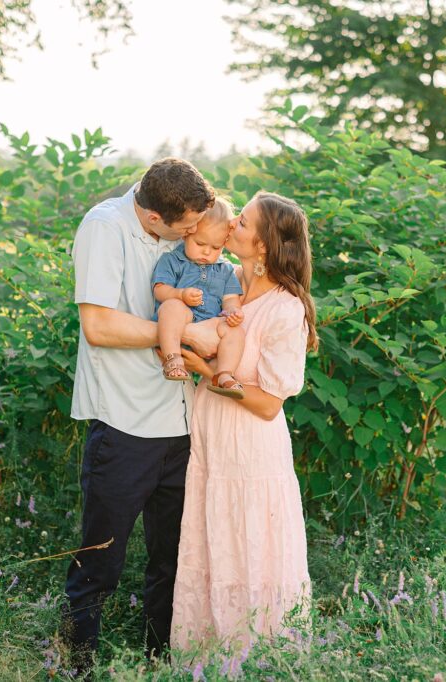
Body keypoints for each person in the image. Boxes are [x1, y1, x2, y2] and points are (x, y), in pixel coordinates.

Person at [62, 157, 221, 672]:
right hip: (125, 422)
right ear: (154, 218)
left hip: (182, 420)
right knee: (101, 560)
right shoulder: (104, 227)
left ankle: (161, 659)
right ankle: (75, 661)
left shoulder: (184, 226)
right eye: (186, 228)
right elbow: (100, 328)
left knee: (174, 559)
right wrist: (181, 335)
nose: (194, 234)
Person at [171, 191, 318, 653]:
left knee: (252, 549)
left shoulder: (284, 309)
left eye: (245, 223)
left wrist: (207, 371)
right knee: (213, 544)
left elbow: (269, 404)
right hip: (213, 443)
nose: (232, 224)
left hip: (252, 449)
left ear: (265, 246)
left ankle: (259, 657)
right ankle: (207, 656)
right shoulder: (222, 281)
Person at [152, 198, 246, 399]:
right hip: (181, 323)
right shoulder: (173, 260)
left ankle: (224, 374)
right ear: (187, 235)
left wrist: (233, 312)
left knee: (235, 330)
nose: (206, 251)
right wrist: (180, 294)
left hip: (210, 329)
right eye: (200, 243)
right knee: (172, 307)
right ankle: (173, 358)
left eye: (215, 247)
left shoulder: (226, 269)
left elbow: (230, 298)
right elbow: (159, 290)